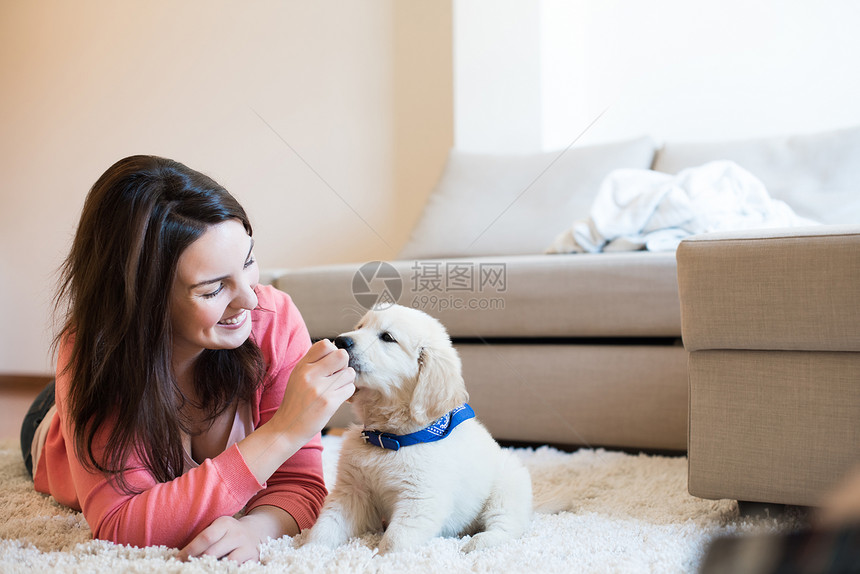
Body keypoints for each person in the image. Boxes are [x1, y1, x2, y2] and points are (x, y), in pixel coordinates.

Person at [19, 155, 355, 564]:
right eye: (213, 289)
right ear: (145, 303)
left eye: (248, 262)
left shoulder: (272, 318)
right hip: (49, 423)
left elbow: (299, 485)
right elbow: (122, 524)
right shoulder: (94, 348)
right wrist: (283, 432)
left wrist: (256, 528)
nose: (249, 300)